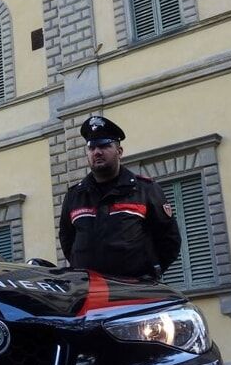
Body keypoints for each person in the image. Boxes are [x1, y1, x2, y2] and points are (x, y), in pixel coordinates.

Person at [59, 115, 181, 279]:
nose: (97, 152)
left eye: (104, 146)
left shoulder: (145, 190)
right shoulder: (75, 196)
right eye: (92, 148)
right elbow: (67, 241)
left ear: (119, 151)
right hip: (89, 288)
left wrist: (150, 272)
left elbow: (169, 240)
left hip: (132, 288)